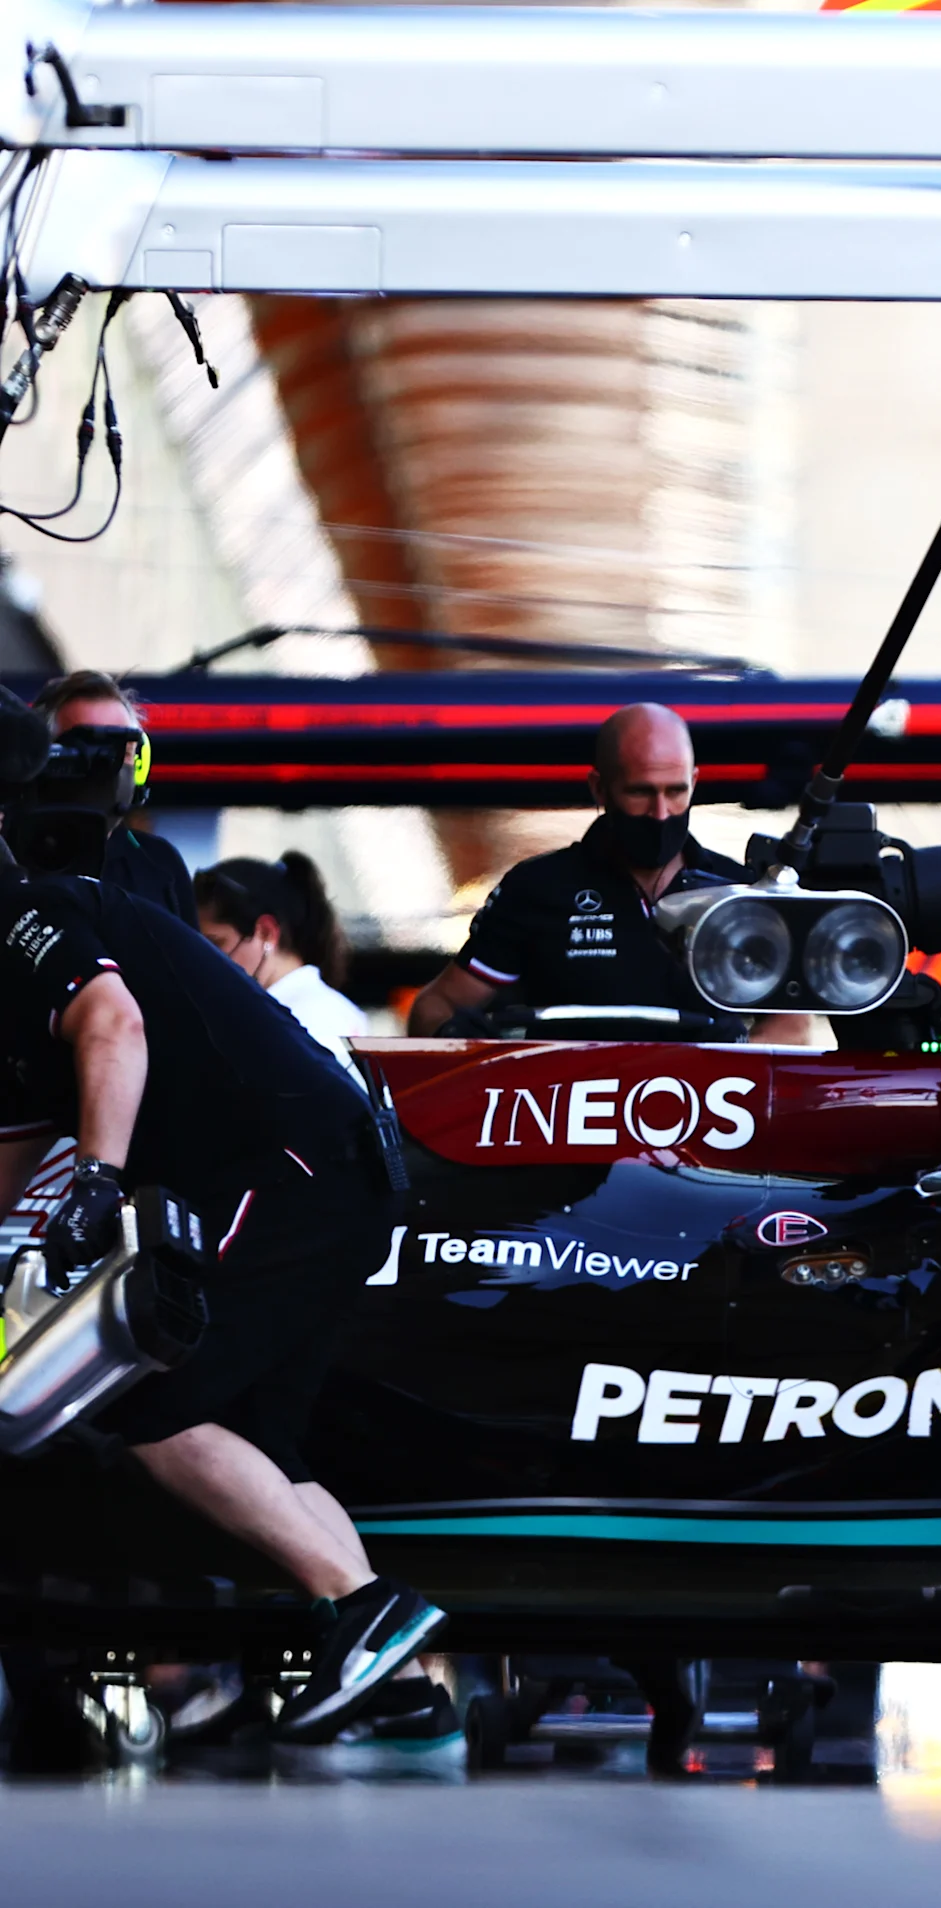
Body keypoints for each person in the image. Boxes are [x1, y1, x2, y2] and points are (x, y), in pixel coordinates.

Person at [0, 758, 437, 1745]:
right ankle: (390, 1667)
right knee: (263, 1442)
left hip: (284, 1171)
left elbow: (114, 1027)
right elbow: (20, 1140)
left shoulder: (25, 917)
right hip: (328, 1171)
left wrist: (97, 1188)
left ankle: (366, 1615)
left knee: (154, 1406)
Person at [404, 703, 812, 1043]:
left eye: (675, 791)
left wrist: (737, 1068)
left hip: (706, 1125)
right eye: (640, 792)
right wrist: (469, 1046)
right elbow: (435, 1007)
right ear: (599, 789)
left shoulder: (739, 892)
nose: (660, 812)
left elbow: (791, 1024)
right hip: (567, 1121)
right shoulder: (539, 888)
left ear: (694, 782)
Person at [27, 669, 194, 919]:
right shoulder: (12, 856)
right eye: (91, 752)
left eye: (122, 752)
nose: (110, 768)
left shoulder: (160, 865)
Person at [193, 852, 362, 1057]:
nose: (202, 959)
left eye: (214, 944)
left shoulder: (303, 1023)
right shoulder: (333, 1011)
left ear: (265, 932)